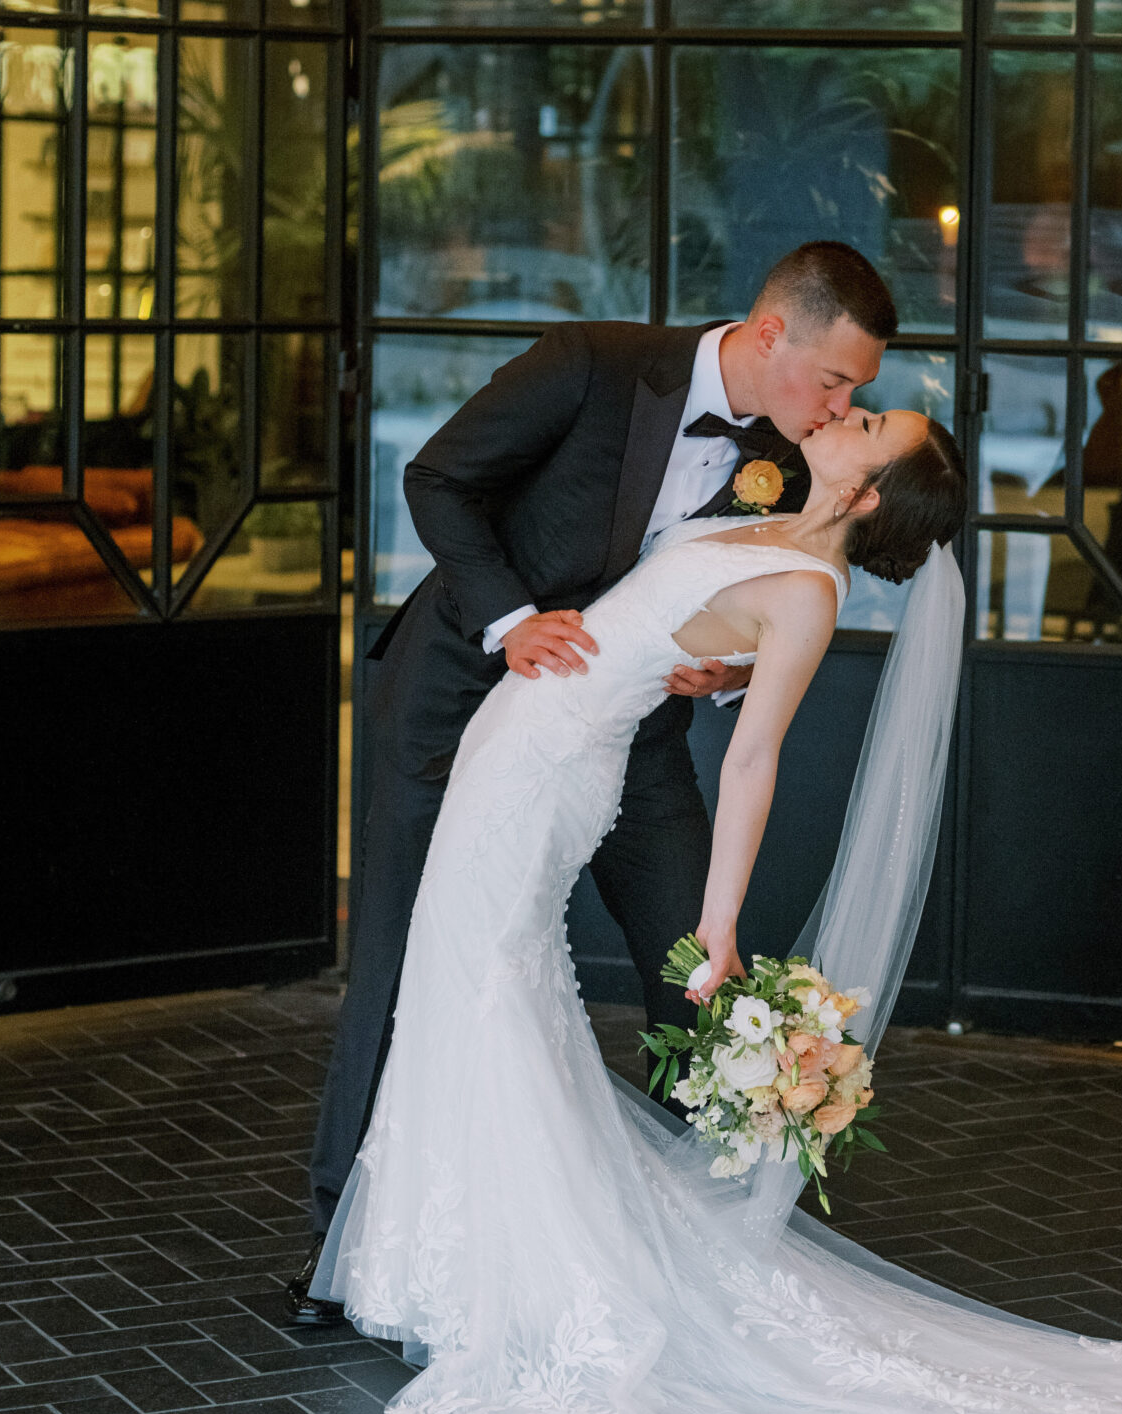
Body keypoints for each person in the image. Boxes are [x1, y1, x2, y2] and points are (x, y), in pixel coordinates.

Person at [314, 409, 1122, 1414]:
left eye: (867, 425)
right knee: (475, 987)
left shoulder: (807, 591)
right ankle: (456, 1262)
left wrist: (718, 922)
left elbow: (754, 760)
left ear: (869, 496)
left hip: (548, 775)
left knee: (486, 990)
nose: (841, 415)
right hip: (522, 740)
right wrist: (698, 657)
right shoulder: (767, 515)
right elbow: (670, 624)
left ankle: (519, 1285)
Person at [287, 240, 897, 1323]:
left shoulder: (799, 445)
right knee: (408, 949)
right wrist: (513, 620)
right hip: (459, 700)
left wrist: (728, 670)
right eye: (836, 380)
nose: (842, 405)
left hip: (631, 732)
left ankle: (704, 1237)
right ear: (771, 335)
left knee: (692, 961)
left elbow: (762, 596)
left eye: (855, 393)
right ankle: (350, 1242)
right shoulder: (592, 362)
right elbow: (437, 477)